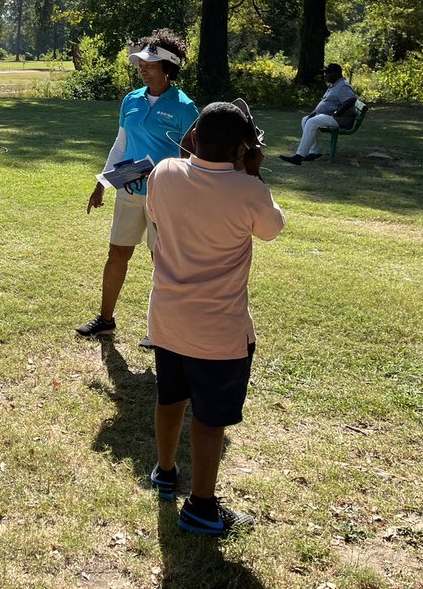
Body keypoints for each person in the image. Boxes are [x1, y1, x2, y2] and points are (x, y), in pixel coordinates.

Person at [145, 101, 285, 536]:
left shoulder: (163, 172)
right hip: (219, 331)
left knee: (170, 398)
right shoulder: (249, 190)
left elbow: (173, 190)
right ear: (243, 149)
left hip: (167, 319)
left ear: (193, 138)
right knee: (210, 419)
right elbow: (272, 229)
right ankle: (201, 507)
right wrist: (254, 170)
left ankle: (165, 473)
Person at [77, 29, 199, 346]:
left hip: (166, 198)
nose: (142, 68)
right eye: (141, 63)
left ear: (168, 69)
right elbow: (121, 145)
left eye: (149, 64)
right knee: (117, 253)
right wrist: (102, 181)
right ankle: (105, 320)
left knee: (163, 263)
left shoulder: (186, 108)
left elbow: (194, 158)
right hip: (128, 191)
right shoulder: (130, 100)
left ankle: (161, 330)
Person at [280, 63, 358, 165]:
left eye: (327, 73)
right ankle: (314, 152)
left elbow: (351, 99)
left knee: (313, 122)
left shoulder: (343, 86)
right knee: (306, 119)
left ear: (336, 74)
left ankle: (299, 156)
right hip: (332, 117)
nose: (325, 75)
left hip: (341, 119)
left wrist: (337, 113)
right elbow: (325, 103)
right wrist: (313, 113)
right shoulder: (334, 86)